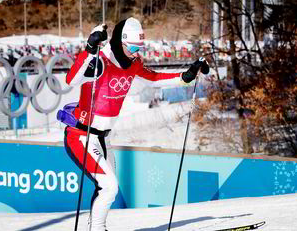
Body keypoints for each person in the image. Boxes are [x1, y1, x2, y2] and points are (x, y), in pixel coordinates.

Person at [57, 17, 209, 231]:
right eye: (133, 47)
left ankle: (97, 228)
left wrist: (185, 77)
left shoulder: (133, 64)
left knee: (106, 189)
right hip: (81, 136)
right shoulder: (102, 60)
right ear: (121, 42)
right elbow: (71, 80)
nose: (137, 53)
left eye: (140, 47)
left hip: (104, 137)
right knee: (109, 187)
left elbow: (154, 77)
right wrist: (90, 49)